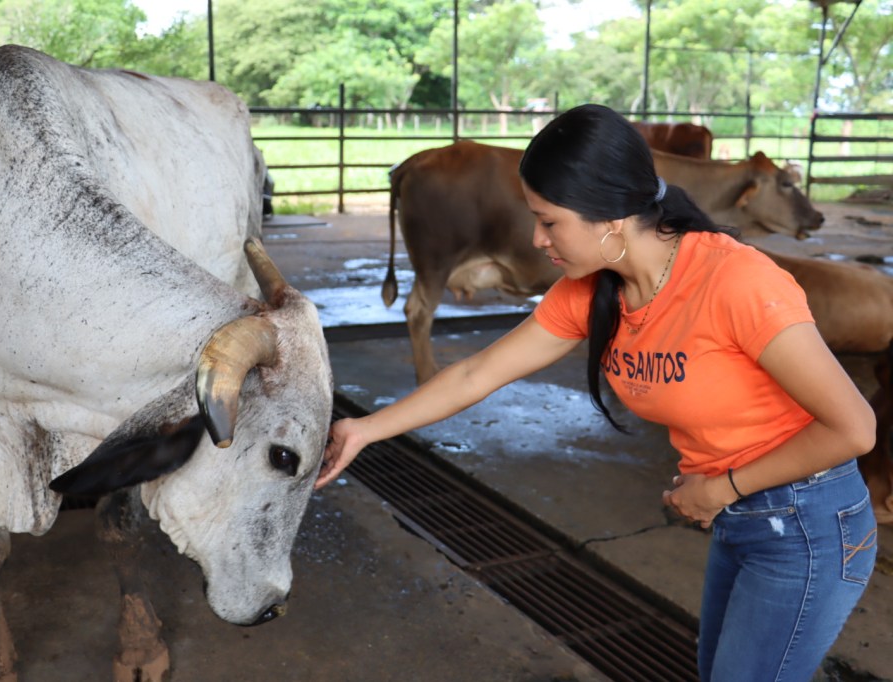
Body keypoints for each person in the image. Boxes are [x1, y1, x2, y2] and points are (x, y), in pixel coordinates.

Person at [315, 103, 879, 681]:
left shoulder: (737, 281)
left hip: (808, 522)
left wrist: (722, 488)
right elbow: (475, 374)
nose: (535, 238)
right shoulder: (592, 289)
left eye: (549, 221)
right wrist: (365, 429)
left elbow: (855, 428)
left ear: (610, 218)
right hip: (740, 515)